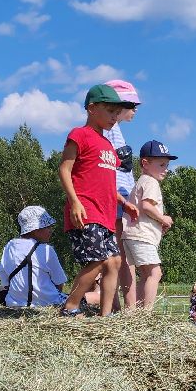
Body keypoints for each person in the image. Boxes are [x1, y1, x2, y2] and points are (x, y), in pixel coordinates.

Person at [60, 84, 131, 317]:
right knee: (98, 261)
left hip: (107, 213)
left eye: (117, 112)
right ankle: (70, 306)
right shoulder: (79, 135)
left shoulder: (108, 145)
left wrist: (124, 202)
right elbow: (64, 169)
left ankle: (106, 315)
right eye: (110, 111)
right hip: (86, 209)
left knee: (115, 262)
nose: (115, 117)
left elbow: (107, 181)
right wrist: (75, 202)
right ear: (92, 108)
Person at [122, 139, 176, 312]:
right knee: (155, 273)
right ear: (145, 163)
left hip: (131, 234)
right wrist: (163, 218)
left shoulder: (141, 181)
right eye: (161, 164)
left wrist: (158, 223)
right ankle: (147, 313)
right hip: (141, 235)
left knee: (146, 275)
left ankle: (135, 310)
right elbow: (146, 206)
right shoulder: (151, 182)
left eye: (167, 165)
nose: (166, 169)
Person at [103, 79, 143, 310]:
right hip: (116, 194)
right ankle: (126, 308)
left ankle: (124, 307)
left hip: (122, 193)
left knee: (121, 253)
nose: (134, 110)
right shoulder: (109, 131)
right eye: (131, 105)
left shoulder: (115, 131)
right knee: (121, 253)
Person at [0, 206, 68, 309]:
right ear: (36, 230)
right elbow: (59, 283)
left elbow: (2, 272)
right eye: (48, 227)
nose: (51, 231)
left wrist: (10, 289)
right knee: (93, 296)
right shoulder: (47, 250)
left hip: (16, 303)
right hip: (49, 303)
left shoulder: (10, 246)